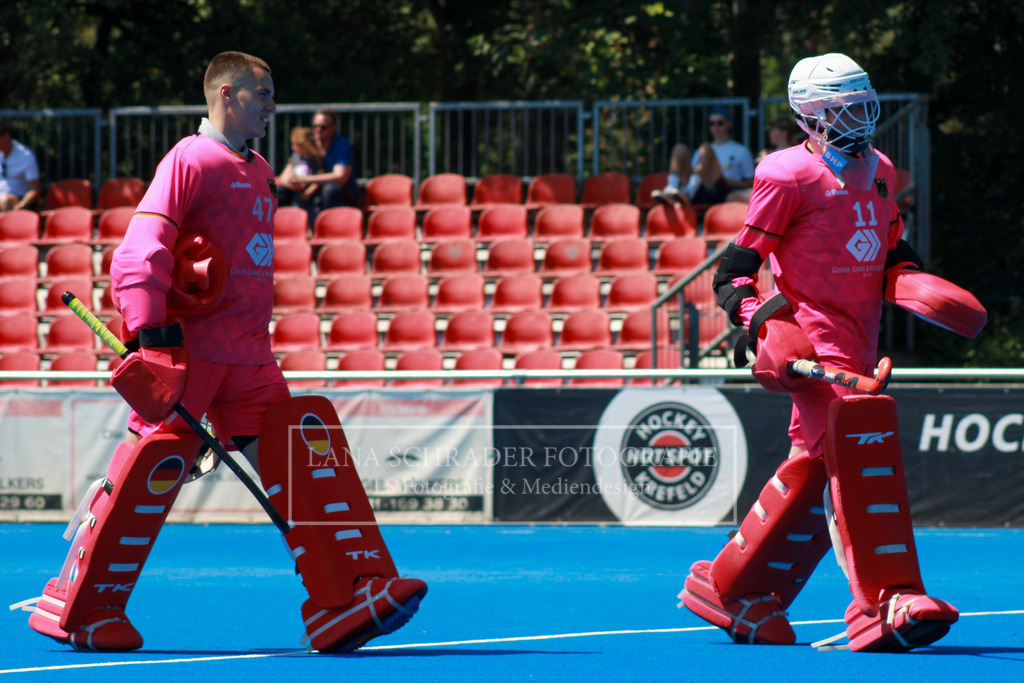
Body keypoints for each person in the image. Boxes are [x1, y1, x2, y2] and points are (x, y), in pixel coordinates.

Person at [19, 51, 426, 653]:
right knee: (148, 477)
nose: (273, 106)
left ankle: (341, 600)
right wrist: (150, 336)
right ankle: (82, 608)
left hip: (251, 354)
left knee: (300, 461)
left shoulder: (261, 170)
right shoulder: (189, 158)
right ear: (228, 94)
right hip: (190, 355)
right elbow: (140, 250)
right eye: (263, 94)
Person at [678, 53, 986, 652]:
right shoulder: (785, 173)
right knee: (861, 453)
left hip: (862, 341)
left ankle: (730, 586)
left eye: (864, 104)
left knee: (815, 466)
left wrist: (913, 282)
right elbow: (735, 271)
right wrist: (764, 325)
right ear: (810, 116)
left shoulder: (881, 170)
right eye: (844, 108)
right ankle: (885, 600)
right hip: (817, 352)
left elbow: (891, 248)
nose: (860, 117)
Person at [651, 106, 755, 206]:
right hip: (699, 188)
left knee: (706, 148)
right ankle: (671, 188)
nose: (715, 127)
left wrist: (728, 181)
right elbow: (695, 172)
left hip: (721, 190)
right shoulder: (699, 151)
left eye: (720, 123)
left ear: (729, 124)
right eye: (711, 123)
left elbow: (750, 182)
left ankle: (687, 192)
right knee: (679, 148)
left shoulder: (741, 150)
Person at [278, 109, 360, 211]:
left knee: (329, 189)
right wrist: (295, 185)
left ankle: (329, 221)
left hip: (341, 193)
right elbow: (284, 177)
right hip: (307, 189)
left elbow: (340, 177)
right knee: (281, 190)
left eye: (323, 127)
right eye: (315, 126)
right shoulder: (307, 143)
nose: (318, 129)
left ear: (333, 128)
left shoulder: (342, 145)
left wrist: (304, 180)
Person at [276, 125, 325, 223]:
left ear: (305, 145)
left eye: (297, 145)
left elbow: (320, 177)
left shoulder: (315, 159)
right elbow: (283, 177)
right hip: (295, 190)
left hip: (309, 193)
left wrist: (308, 192)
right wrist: (293, 185)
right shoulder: (295, 156)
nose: (293, 147)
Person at [0, 118, 41, 212]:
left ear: (6, 136)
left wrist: (21, 205)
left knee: (5, 201)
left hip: (17, 198)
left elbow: (34, 189)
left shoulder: (25, 156)